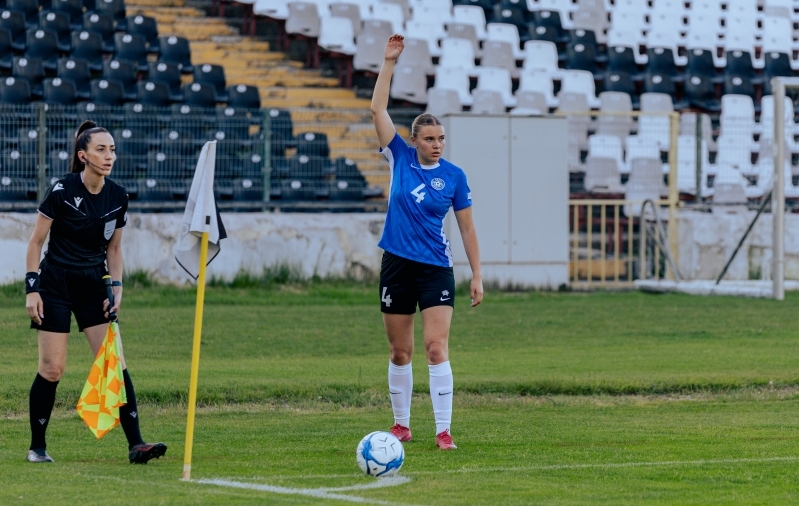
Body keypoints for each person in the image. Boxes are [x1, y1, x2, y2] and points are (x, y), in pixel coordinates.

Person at [24, 120, 167, 464]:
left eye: (112, 149)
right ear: (83, 155)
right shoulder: (62, 190)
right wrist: (32, 289)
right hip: (55, 284)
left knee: (114, 362)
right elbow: (35, 242)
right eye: (101, 149)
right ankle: (37, 447)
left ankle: (137, 445)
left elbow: (114, 251)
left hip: (93, 285)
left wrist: (116, 287)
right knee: (52, 368)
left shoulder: (118, 196)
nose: (109, 156)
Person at [371, 34, 483, 450]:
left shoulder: (453, 176)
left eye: (441, 140)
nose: (437, 146)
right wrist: (389, 63)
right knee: (401, 353)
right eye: (430, 139)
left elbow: (467, 229)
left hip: (436, 267)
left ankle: (443, 430)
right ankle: (401, 425)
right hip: (396, 265)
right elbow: (377, 108)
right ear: (415, 139)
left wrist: (477, 275)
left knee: (437, 348)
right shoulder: (398, 155)